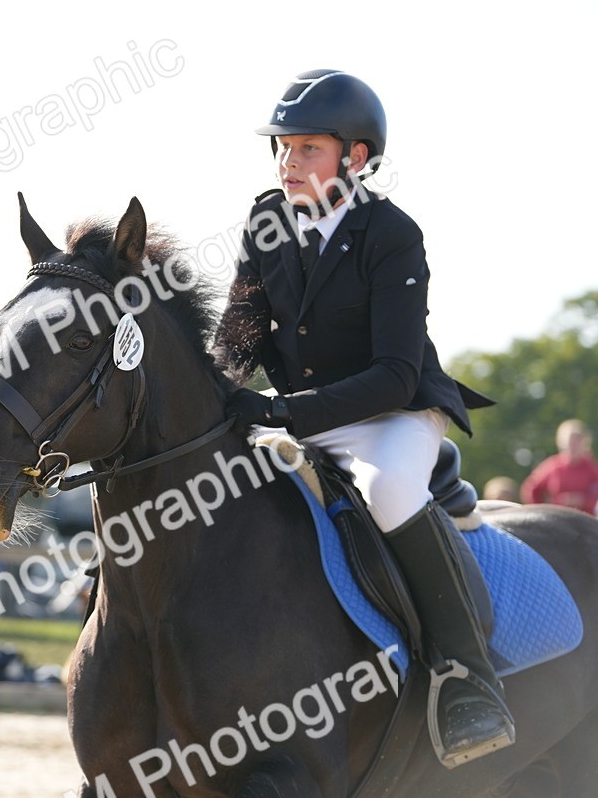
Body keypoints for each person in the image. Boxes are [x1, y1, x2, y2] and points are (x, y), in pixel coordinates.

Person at [214, 70, 510, 766]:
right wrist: (211, 393)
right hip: (299, 416)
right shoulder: (265, 221)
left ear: (355, 156)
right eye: (283, 147)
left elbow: (396, 374)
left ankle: (468, 679)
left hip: (394, 414)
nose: (288, 162)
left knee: (388, 490)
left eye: (307, 149)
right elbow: (238, 338)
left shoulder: (393, 234)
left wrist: (281, 410)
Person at [520, 419, 598, 514]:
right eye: (569, 441)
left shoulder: (592, 468)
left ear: (584, 442)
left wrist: (584, 501)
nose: (573, 445)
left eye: (577, 440)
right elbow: (530, 489)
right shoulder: (552, 466)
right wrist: (541, 511)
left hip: (585, 518)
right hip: (556, 518)